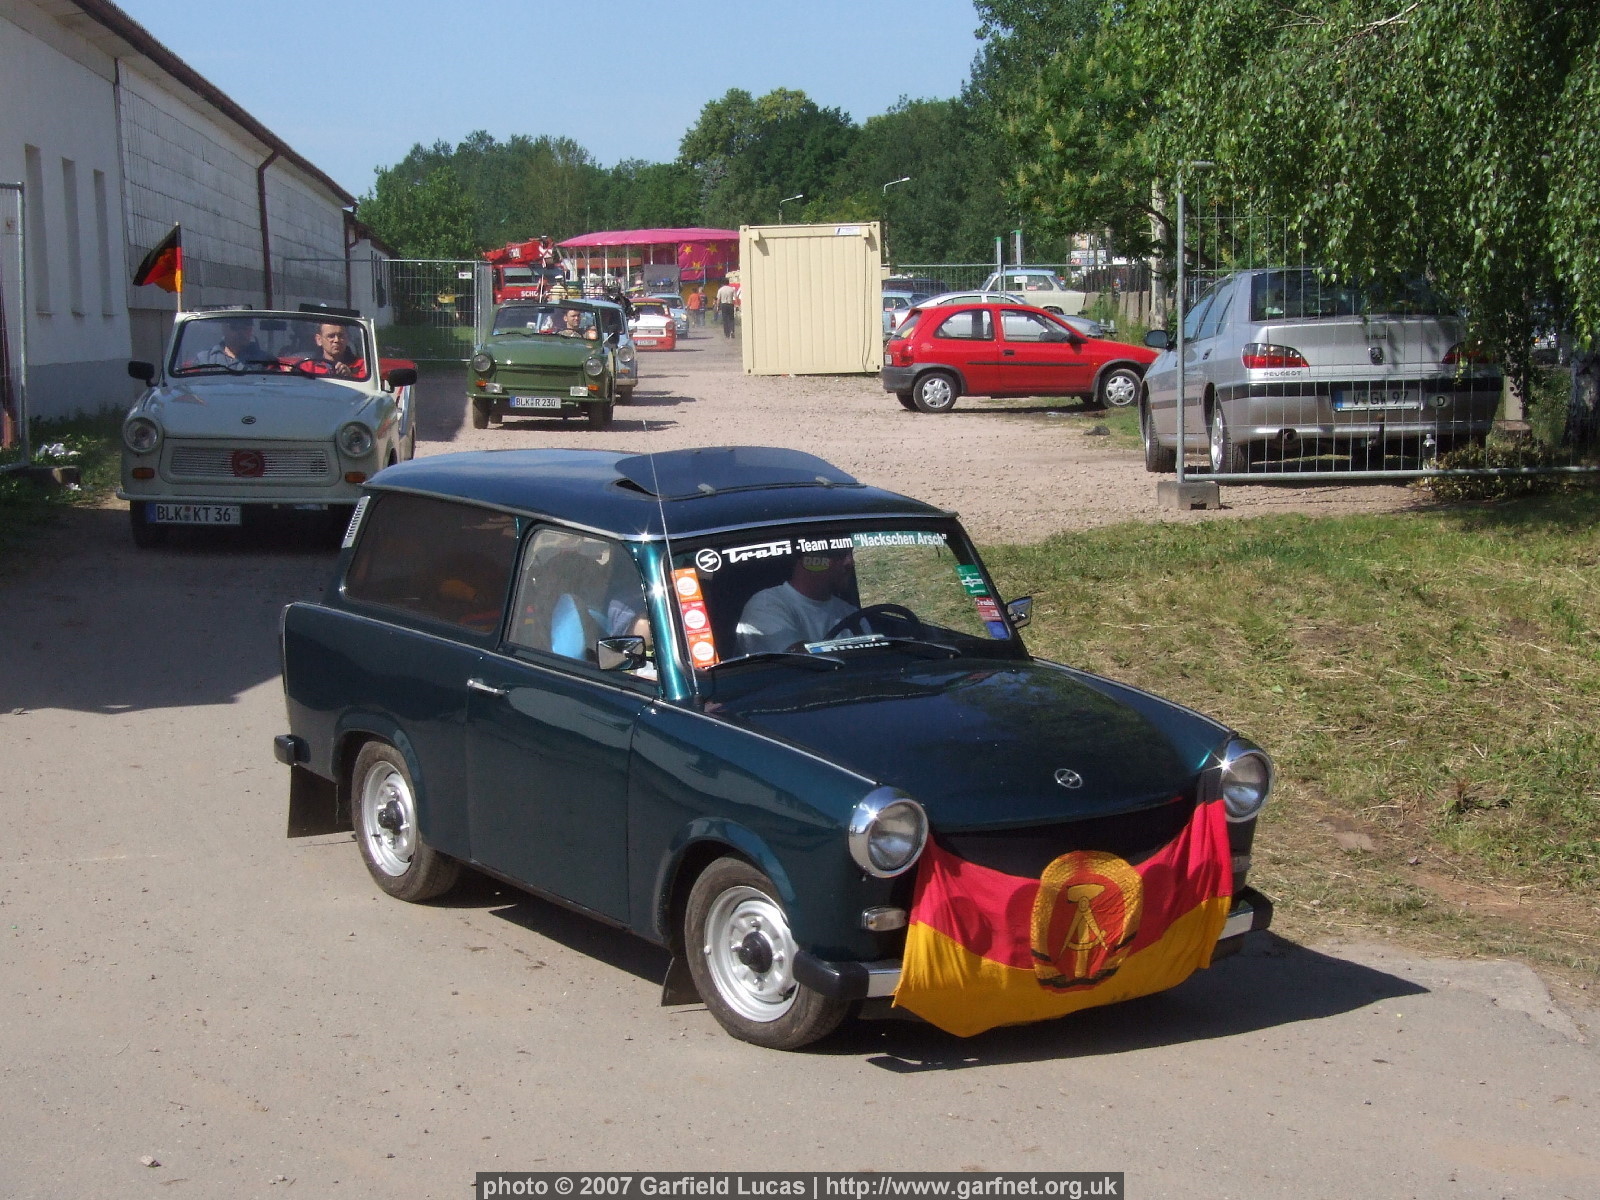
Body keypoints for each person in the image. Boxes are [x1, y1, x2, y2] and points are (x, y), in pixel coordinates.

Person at [735, 547, 863, 655]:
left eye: (850, 553)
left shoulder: (851, 613)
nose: (849, 562)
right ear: (810, 560)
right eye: (839, 554)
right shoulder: (765, 605)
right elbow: (799, 659)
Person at [298, 322, 366, 378]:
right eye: (331, 336)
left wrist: (350, 376)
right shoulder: (307, 366)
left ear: (347, 338)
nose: (336, 340)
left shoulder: (363, 366)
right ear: (319, 340)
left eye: (341, 336)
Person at [192, 317, 266, 367]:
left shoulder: (264, 360)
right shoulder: (205, 359)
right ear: (224, 329)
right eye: (235, 327)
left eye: (245, 328)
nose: (241, 332)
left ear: (251, 330)